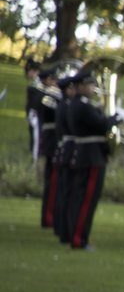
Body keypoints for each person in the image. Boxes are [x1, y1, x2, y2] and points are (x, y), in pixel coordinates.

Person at [67, 70, 120, 251]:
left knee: (83, 199)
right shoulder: (82, 106)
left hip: (88, 155)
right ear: (80, 86)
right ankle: (79, 238)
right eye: (90, 85)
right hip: (91, 157)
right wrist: (116, 118)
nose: (93, 88)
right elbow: (102, 125)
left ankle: (79, 237)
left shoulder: (81, 105)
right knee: (87, 200)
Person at [53, 73, 77, 244]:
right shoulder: (66, 106)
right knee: (67, 192)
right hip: (69, 150)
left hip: (65, 149)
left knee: (64, 192)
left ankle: (62, 228)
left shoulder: (64, 105)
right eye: (72, 88)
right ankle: (65, 230)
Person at [37, 67, 60, 229]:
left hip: (54, 143)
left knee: (55, 184)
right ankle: (48, 218)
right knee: (52, 183)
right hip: (52, 143)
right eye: (53, 80)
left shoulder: (53, 96)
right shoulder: (46, 97)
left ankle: (52, 216)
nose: (56, 83)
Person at [25, 59, 42, 162]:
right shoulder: (33, 83)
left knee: (35, 136)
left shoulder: (37, 84)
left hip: (35, 114)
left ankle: (35, 157)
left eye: (30, 71)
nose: (28, 74)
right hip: (31, 113)